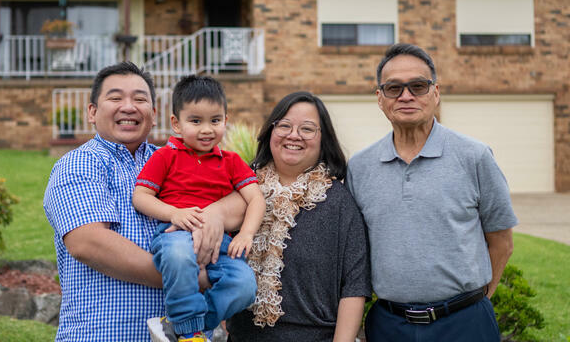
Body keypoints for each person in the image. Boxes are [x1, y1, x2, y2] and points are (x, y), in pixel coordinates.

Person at [43, 62, 246, 341]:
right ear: (92, 112)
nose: (128, 107)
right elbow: (88, 243)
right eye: (115, 98)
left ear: (153, 115)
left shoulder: (173, 158)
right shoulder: (80, 164)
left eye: (140, 99)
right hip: (105, 334)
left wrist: (214, 214)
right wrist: (187, 279)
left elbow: (243, 200)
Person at [346, 43, 518, 341]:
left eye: (418, 86)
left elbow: (501, 241)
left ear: (435, 93)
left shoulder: (475, 157)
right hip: (389, 326)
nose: (406, 96)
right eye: (394, 88)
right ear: (380, 98)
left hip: (465, 324)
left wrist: (477, 301)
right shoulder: (360, 168)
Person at [227, 91, 372, 342]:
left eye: (307, 129)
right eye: (284, 125)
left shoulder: (339, 203)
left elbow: (355, 287)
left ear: (323, 139)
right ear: (270, 132)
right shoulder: (242, 192)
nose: (294, 135)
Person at [132, 75, 265, 342]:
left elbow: (256, 199)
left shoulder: (231, 161)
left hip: (222, 244)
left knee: (244, 286)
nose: (206, 129)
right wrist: (174, 213)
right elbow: (141, 196)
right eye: (196, 121)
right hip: (177, 233)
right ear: (176, 124)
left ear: (226, 120)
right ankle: (190, 330)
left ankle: (182, 327)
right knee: (179, 257)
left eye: (215, 120)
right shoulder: (165, 156)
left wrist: (246, 234)